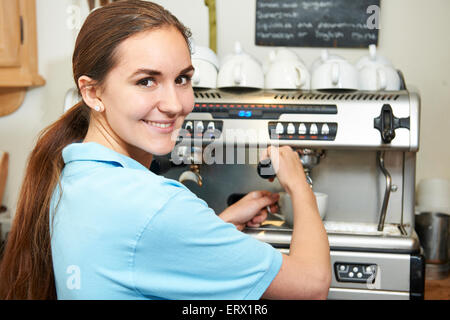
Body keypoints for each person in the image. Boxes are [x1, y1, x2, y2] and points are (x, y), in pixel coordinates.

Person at [0, 0, 330, 300]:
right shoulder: (156, 205)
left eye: (183, 79)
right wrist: (299, 185)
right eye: (146, 81)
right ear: (92, 92)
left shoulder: (75, 175)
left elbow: (136, 249)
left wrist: (214, 226)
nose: (175, 105)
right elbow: (311, 285)